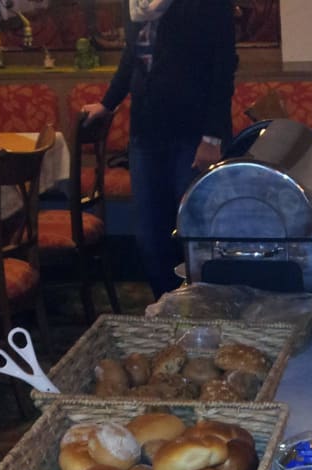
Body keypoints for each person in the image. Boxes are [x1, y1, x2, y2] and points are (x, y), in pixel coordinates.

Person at [82, 0, 238, 299]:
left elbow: (223, 68)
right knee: (150, 235)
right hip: (146, 131)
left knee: (195, 233)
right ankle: (166, 306)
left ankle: (203, 309)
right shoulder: (136, 4)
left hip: (193, 133)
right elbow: (132, 56)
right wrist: (107, 104)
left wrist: (213, 138)